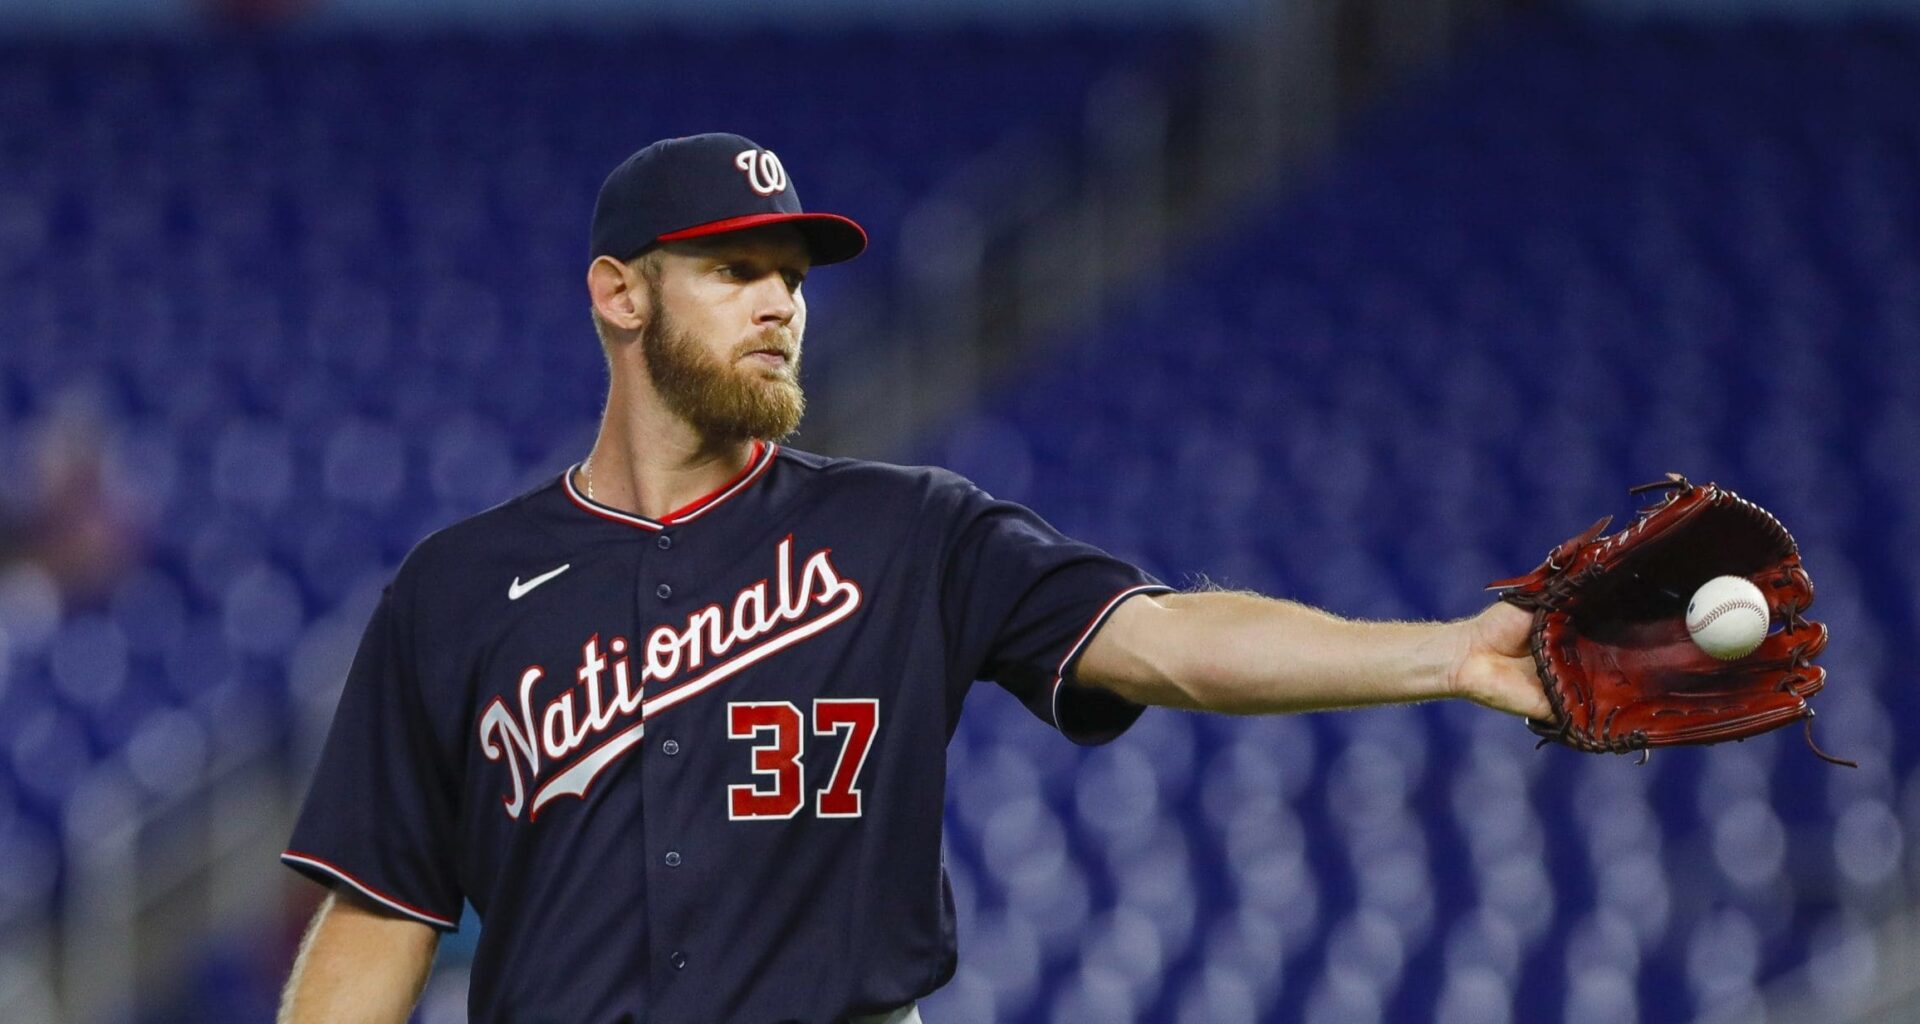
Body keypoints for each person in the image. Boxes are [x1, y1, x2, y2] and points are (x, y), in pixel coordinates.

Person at [276, 133, 1551, 1024]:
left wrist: (1441, 655)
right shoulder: (457, 588)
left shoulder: (907, 531)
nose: (780, 303)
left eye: (793, 276)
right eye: (734, 271)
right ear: (620, 293)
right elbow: (381, 915)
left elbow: (1162, 643)